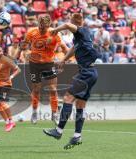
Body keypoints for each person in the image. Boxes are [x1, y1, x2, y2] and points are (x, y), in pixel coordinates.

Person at [43, 13, 100, 150]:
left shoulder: (82, 30)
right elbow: (73, 49)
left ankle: (58, 130)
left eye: (71, 22)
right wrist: (63, 60)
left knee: (68, 98)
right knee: (80, 104)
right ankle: (77, 136)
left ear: (75, 22)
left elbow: (68, 26)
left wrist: (55, 30)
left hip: (86, 72)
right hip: (91, 73)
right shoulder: (82, 36)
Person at [23, 14, 68, 125]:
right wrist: (26, 52)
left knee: (53, 89)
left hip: (48, 64)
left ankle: (54, 113)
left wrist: (65, 60)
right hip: (34, 64)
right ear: (38, 23)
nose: (42, 28)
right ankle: (34, 111)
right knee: (37, 89)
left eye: (45, 26)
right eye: (41, 25)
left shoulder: (54, 34)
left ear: (49, 25)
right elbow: (24, 45)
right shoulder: (31, 32)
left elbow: (64, 48)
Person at [0, 46, 21, 132]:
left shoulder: (7, 60)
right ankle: (7, 121)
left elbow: (18, 70)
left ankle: (11, 120)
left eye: (0, 51)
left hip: (6, 84)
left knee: (2, 102)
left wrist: (11, 77)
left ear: (2, 52)